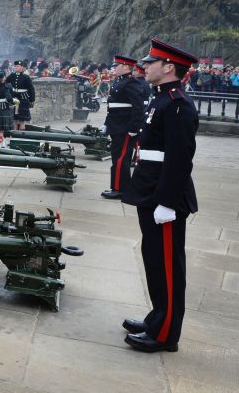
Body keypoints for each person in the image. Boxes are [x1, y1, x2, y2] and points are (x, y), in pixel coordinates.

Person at [121, 39, 199, 353]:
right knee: (154, 260)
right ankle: (157, 317)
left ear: (169, 67)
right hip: (150, 190)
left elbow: (180, 158)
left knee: (167, 265)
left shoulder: (177, 103)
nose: (145, 67)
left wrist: (167, 201)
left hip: (163, 196)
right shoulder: (161, 99)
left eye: (151, 62)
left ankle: (166, 333)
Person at [101, 56, 147, 200]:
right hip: (117, 126)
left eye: (118, 65)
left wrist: (134, 127)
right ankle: (119, 186)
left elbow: (138, 107)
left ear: (126, 67)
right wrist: (107, 123)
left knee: (121, 158)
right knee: (117, 157)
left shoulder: (131, 83)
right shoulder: (121, 82)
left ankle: (120, 189)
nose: (115, 68)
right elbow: (113, 107)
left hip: (125, 127)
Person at [8, 60, 36, 131]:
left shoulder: (26, 77)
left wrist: (32, 100)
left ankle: (21, 135)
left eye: (18, 66)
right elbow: (5, 83)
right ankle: (14, 135)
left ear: (22, 67)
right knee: (14, 118)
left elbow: (31, 89)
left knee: (22, 119)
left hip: (23, 99)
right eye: (15, 66)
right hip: (14, 97)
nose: (16, 67)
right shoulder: (12, 75)